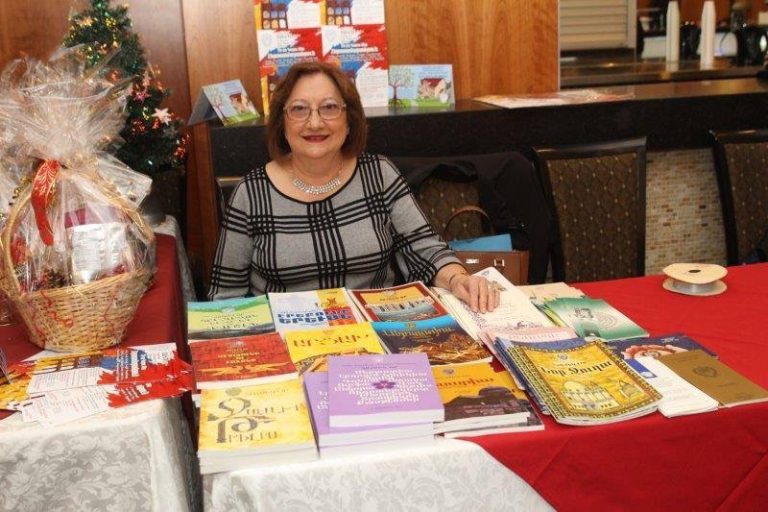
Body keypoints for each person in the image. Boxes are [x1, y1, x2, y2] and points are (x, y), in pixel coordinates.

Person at [208, 61, 499, 313]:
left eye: (329, 108)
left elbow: (423, 248)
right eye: (299, 109)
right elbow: (225, 296)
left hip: (378, 332)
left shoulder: (379, 174)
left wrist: (458, 279)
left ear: (349, 120)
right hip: (288, 339)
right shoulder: (252, 193)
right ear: (282, 123)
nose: (315, 122)